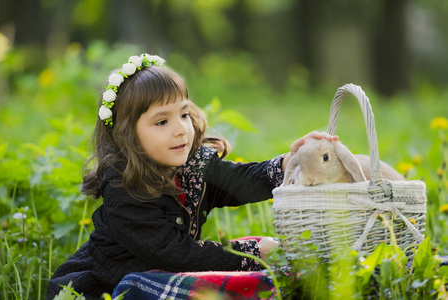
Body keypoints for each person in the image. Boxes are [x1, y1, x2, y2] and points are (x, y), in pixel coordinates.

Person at [46, 53, 337, 299]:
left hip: (160, 273)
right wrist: (251, 251)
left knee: (253, 261)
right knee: (232, 266)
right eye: (162, 121)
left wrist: (290, 163)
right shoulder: (125, 188)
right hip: (104, 286)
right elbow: (174, 253)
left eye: (184, 114)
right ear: (127, 135)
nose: (180, 129)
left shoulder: (192, 165)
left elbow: (239, 183)